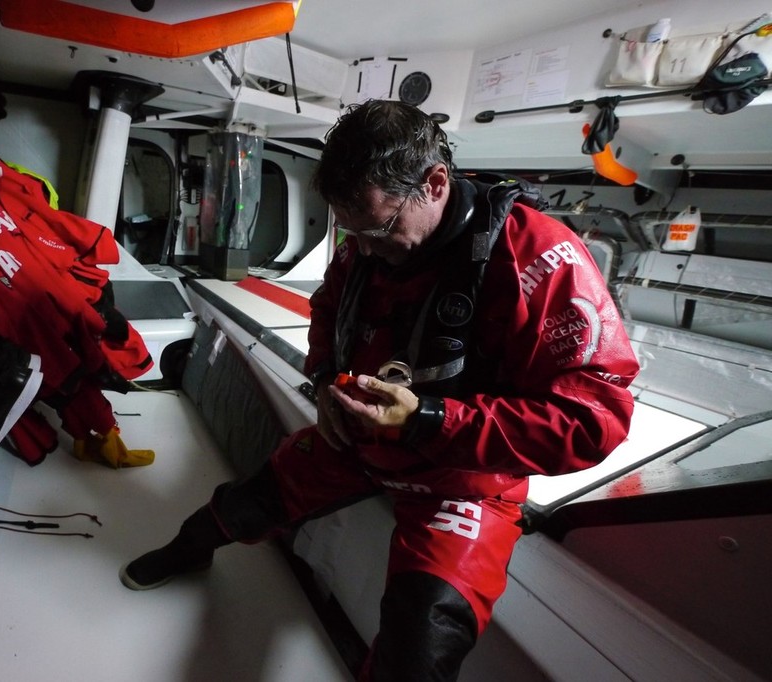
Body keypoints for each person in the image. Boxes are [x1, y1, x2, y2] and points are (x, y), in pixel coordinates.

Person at [119, 99, 640, 680]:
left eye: (381, 230)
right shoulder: (367, 245)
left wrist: (429, 421)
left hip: (461, 479)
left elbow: (596, 418)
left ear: (435, 184)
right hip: (357, 442)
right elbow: (327, 311)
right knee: (247, 501)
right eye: (353, 233)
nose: (364, 250)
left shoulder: (539, 259)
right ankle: (191, 550)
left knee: (420, 646)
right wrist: (321, 383)